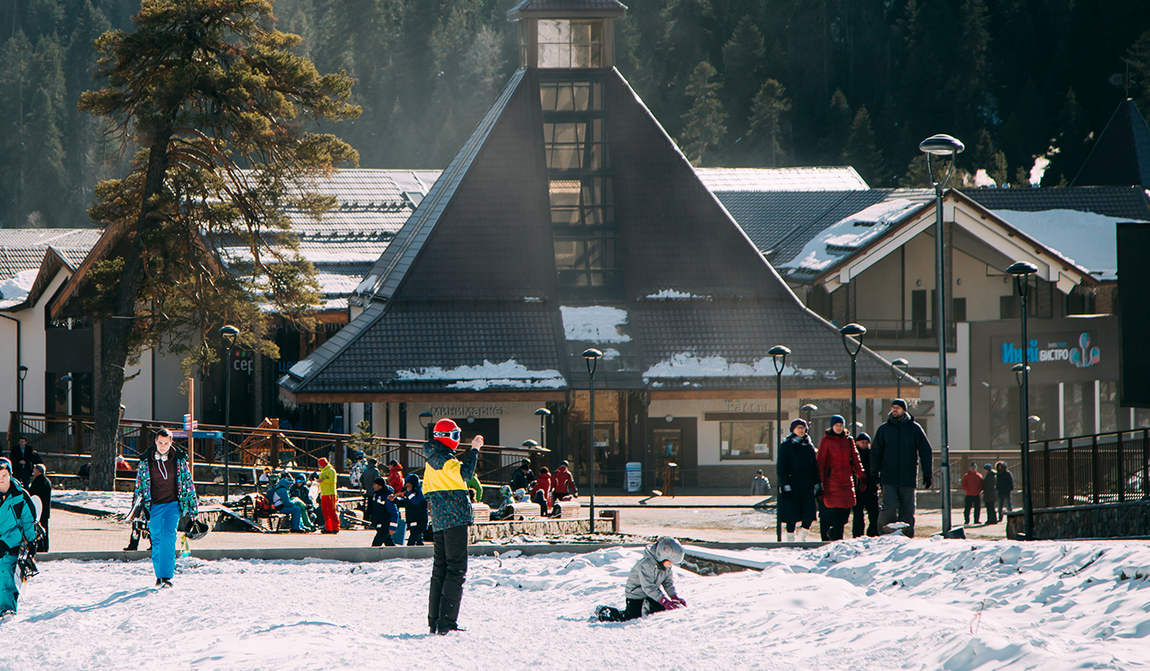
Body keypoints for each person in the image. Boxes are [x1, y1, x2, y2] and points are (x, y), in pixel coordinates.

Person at [422, 418, 481, 634]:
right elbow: (466, 474)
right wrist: (474, 450)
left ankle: (435, 621)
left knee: (440, 569)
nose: (457, 440)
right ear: (445, 437)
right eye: (455, 436)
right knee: (456, 569)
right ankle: (447, 622)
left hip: (439, 519)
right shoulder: (446, 460)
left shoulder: (431, 459)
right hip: (455, 517)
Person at [132, 428, 198, 587]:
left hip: (172, 505)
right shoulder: (146, 460)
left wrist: (193, 508)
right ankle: (158, 574)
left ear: (171, 443)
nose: (163, 446)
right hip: (153, 505)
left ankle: (167, 576)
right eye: (160, 443)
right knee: (156, 539)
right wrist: (136, 510)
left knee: (169, 538)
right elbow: (139, 486)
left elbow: (188, 483)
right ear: (155, 442)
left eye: (166, 443)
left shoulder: (180, 460)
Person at [872, 399, 932, 537]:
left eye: (897, 408)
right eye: (893, 408)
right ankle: (884, 534)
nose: (894, 410)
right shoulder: (884, 429)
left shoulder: (914, 428)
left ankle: (907, 536)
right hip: (888, 476)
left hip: (908, 476)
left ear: (904, 410)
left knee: (908, 509)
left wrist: (927, 473)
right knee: (889, 507)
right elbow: (875, 453)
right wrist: (874, 473)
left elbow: (925, 450)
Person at [597, 537, 687, 622]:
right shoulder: (646, 565)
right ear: (661, 555)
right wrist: (664, 601)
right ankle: (603, 612)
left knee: (662, 611)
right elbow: (648, 587)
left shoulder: (665, 566)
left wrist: (674, 597)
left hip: (651, 594)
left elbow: (668, 583)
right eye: (669, 563)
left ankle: (648, 606)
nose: (670, 566)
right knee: (631, 618)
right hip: (636, 594)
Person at [0, 457, 39, 619]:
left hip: (11, 543)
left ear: (10, 474)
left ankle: (7, 608)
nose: (1, 479)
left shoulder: (20, 496)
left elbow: (28, 520)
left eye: (4, 475)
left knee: (5, 574)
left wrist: (32, 541)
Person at [817, 416, 865, 541]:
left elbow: (855, 458)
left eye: (841, 425)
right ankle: (837, 537)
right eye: (836, 425)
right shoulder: (827, 441)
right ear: (832, 426)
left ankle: (834, 533)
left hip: (847, 480)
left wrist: (861, 475)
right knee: (837, 511)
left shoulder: (849, 440)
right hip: (832, 481)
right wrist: (820, 482)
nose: (839, 427)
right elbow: (821, 462)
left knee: (845, 513)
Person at [777, 418, 820, 542]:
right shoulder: (786, 445)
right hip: (792, 484)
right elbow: (781, 467)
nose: (801, 430)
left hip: (807, 485)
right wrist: (784, 484)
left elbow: (814, 466)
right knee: (791, 514)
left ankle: (803, 535)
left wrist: (817, 483)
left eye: (803, 428)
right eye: (799, 428)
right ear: (793, 430)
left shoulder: (809, 446)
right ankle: (790, 537)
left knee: (809, 514)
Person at [851, 432, 880, 537]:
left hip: (871, 488)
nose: (864, 444)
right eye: (862, 442)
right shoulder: (854, 455)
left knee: (874, 514)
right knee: (858, 515)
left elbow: (876, 470)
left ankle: (872, 533)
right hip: (858, 489)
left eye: (866, 442)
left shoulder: (872, 454)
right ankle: (858, 535)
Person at [368, 478, 400, 547]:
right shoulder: (376, 495)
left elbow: (394, 512)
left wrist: (393, 527)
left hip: (385, 525)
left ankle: (373, 556)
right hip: (380, 524)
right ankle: (396, 556)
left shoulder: (387, 497)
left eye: (375, 484)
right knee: (389, 544)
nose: (373, 486)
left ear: (380, 486)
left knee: (376, 544)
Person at [27, 464, 51, 552]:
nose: (33, 471)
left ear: (38, 471)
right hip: (44, 510)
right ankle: (44, 547)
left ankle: (41, 547)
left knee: (40, 529)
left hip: (40, 509)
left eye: (35, 469)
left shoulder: (39, 481)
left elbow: (33, 494)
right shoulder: (45, 481)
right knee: (44, 529)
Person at [397, 473, 427, 546]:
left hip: (419, 519)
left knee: (413, 537)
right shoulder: (409, 493)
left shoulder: (420, 492)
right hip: (411, 518)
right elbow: (405, 503)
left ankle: (408, 552)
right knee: (418, 538)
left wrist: (408, 493)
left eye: (408, 484)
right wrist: (395, 500)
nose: (407, 486)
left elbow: (416, 501)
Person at [317, 457, 339, 533]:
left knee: (332, 511)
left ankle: (335, 528)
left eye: (319, 464)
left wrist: (322, 480)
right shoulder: (323, 471)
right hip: (324, 494)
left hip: (330, 493)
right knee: (325, 511)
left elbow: (332, 481)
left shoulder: (331, 471)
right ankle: (328, 528)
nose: (319, 466)